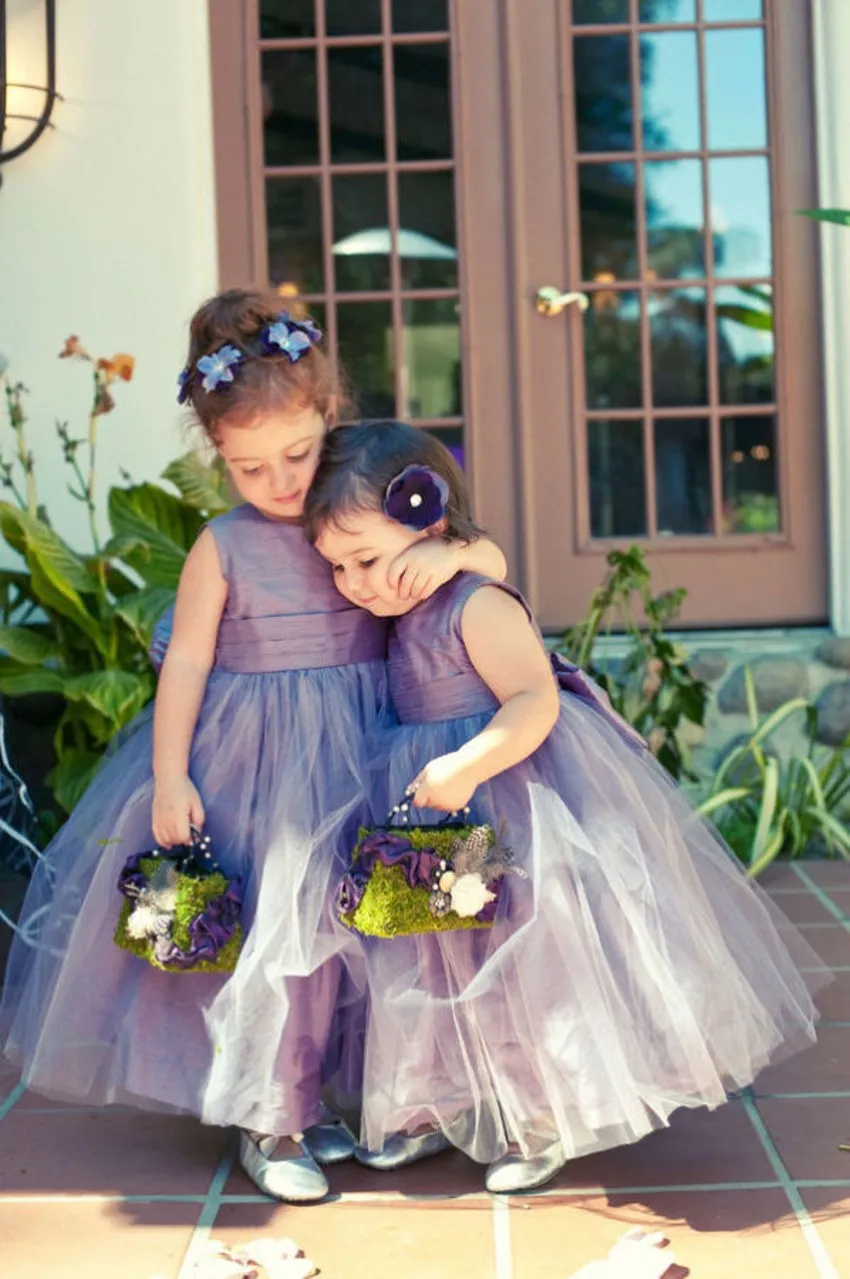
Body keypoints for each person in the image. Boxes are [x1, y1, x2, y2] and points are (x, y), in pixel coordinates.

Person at [0, 293, 505, 1204]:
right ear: (217, 457)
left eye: (298, 455)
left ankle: (363, 1093)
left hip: (369, 749)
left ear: (332, 417)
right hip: (257, 769)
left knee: (379, 929)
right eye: (248, 466)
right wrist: (167, 773)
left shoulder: (367, 511)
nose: (278, 482)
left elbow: (484, 560)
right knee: (278, 938)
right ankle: (269, 1115)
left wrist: (462, 560)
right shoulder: (221, 544)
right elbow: (186, 657)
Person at [305, 419, 825, 1194]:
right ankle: (434, 1104)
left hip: (499, 793)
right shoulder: (402, 605)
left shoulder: (476, 606)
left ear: (429, 524)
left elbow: (532, 700)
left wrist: (467, 763)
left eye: (367, 559)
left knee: (517, 958)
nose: (355, 582)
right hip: (424, 799)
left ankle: (541, 1112)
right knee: (426, 954)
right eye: (337, 567)